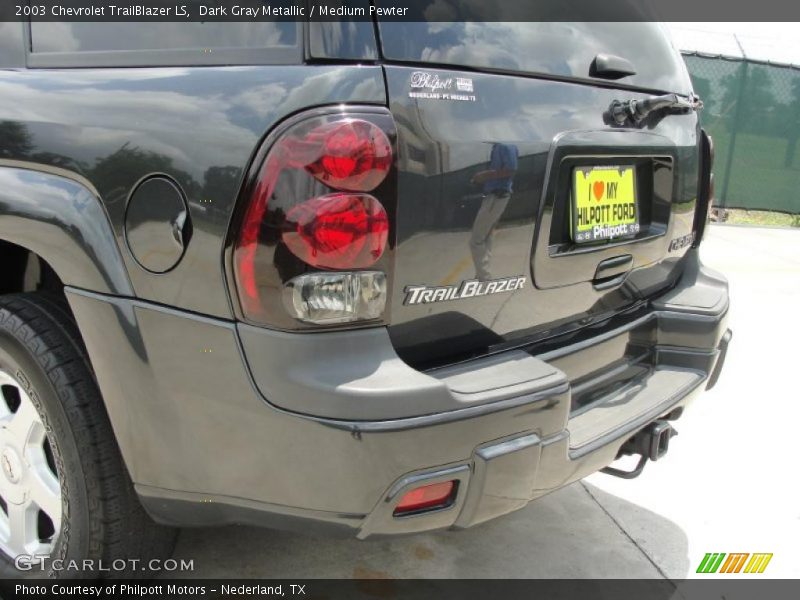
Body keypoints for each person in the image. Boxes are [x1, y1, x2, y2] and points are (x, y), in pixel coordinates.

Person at [469, 143, 518, 280]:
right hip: (496, 196)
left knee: (476, 239)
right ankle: (483, 274)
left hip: (496, 196)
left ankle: (484, 277)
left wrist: (484, 175)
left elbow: (511, 169)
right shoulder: (500, 145)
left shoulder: (505, 144)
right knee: (487, 237)